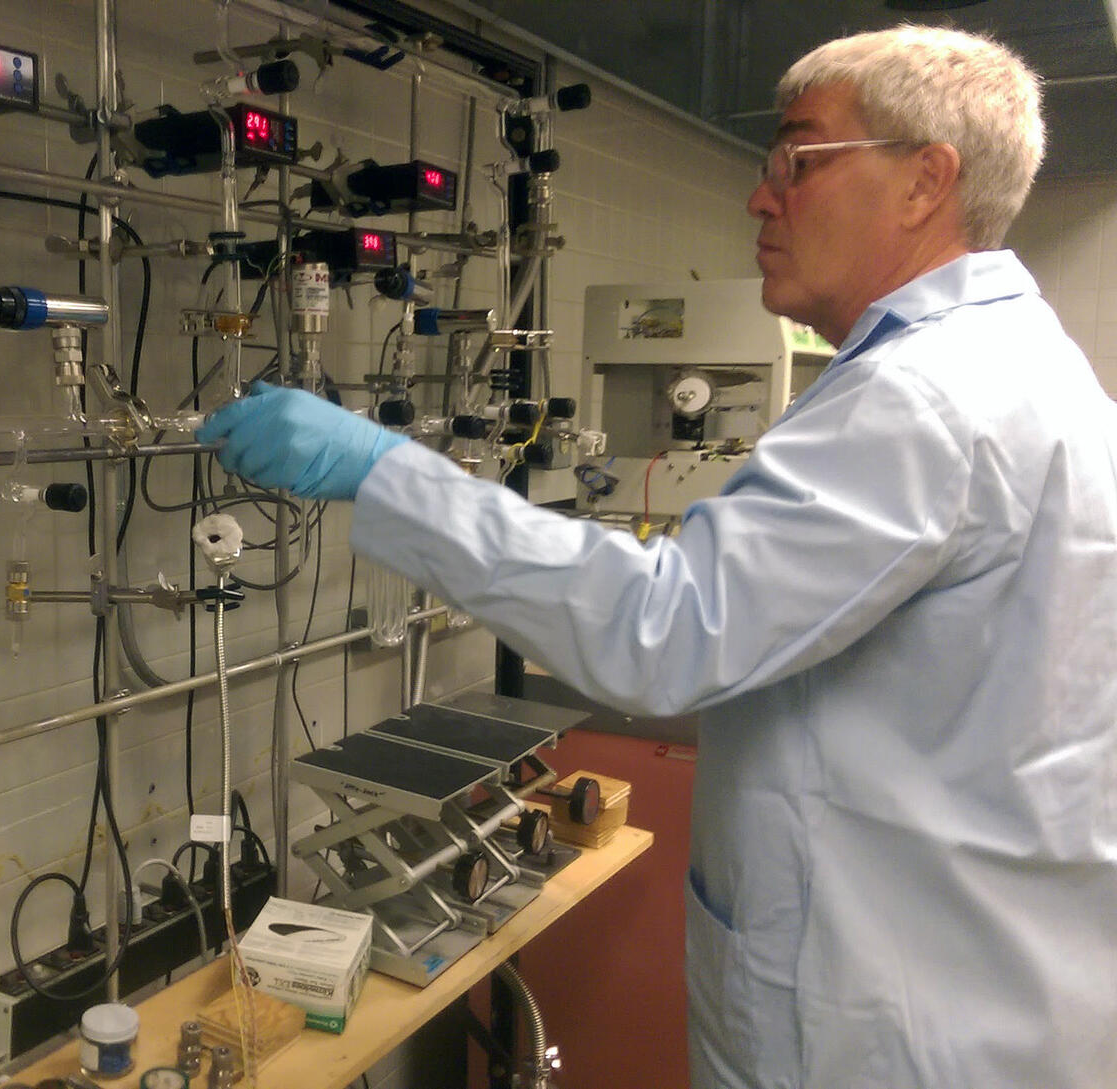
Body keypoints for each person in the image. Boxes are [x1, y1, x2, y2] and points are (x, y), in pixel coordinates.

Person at [198, 25, 1117, 1089]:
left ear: (925, 181)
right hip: (989, 972)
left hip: (891, 1023)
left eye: (796, 159)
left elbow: (663, 632)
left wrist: (381, 468)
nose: (760, 198)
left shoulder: (923, 395)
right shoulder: (1035, 370)